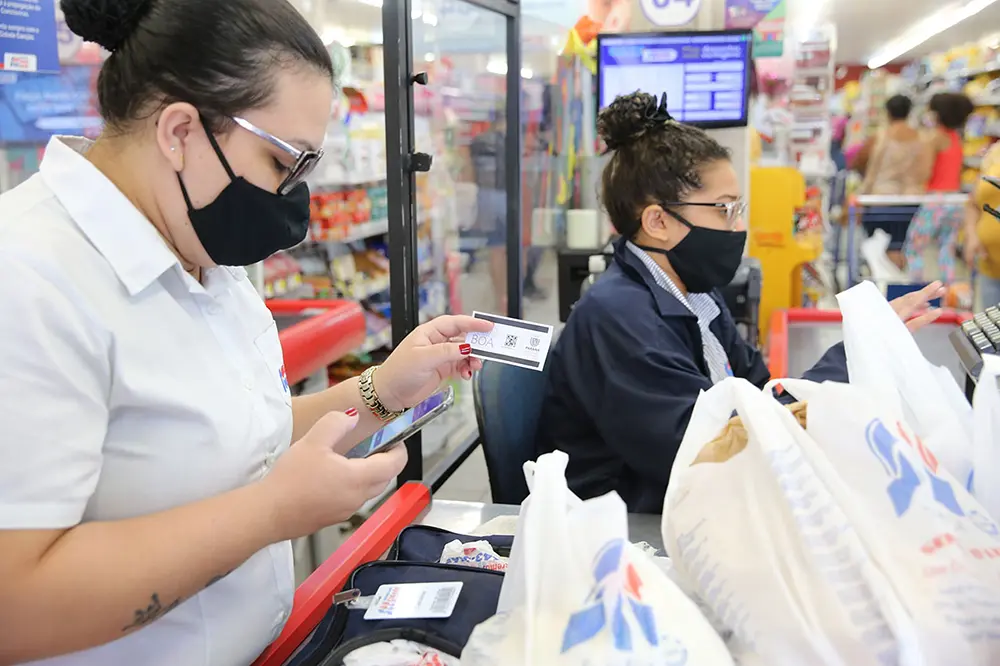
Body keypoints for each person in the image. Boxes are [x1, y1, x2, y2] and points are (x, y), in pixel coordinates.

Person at [0, 1, 492, 665]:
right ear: (180, 131)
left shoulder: (196, 242)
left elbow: (244, 433)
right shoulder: (28, 278)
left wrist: (382, 390)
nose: (291, 195)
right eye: (281, 162)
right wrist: (272, 513)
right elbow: (15, 603)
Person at [534, 91, 946, 515]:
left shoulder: (694, 294)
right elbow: (707, 452)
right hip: (626, 526)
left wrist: (862, 347)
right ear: (657, 221)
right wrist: (853, 355)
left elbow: (761, 395)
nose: (739, 225)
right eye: (724, 209)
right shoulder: (620, 319)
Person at [906, 92, 975, 283]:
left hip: (935, 200)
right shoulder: (956, 138)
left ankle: (916, 288)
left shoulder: (935, 138)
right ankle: (949, 290)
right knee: (947, 248)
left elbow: (924, 171)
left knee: (915, 246)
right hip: (955, 200)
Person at [853, 94, 928, 270]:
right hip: (910, 202)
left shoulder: (880, 137)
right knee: (900, 247)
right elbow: (925, 172)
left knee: (876, 249)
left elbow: (866, 167)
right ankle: (898, 280)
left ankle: (882, 281)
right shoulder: (922, 139)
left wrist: (861, 193)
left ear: (888, 112)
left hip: (880, 201)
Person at [963, 142, 1000, 308]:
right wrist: (971, 236)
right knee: (989, 322)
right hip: (989, 265)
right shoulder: (994, 153)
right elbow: (973, 203)